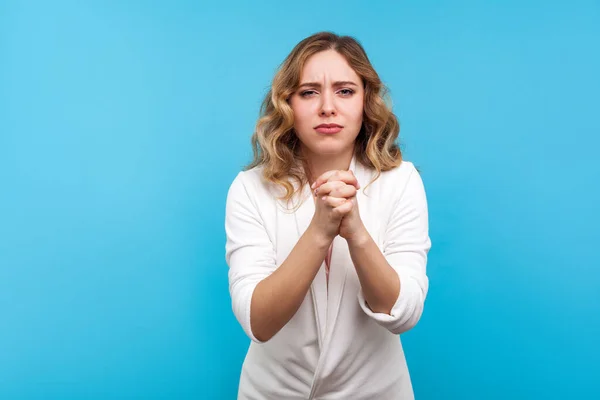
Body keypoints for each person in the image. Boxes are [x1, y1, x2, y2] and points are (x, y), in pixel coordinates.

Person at [224, 31, 432, 400]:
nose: (327, 107)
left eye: (345, 90)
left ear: (366, 100)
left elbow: (403, 313)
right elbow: (257, 321)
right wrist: (320, 231)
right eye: (308, 92)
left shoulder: (401, 182)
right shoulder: (250, 187)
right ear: (287, 103)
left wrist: (355, 232)